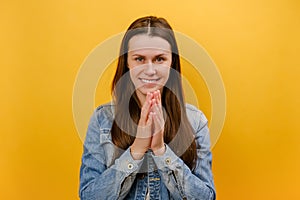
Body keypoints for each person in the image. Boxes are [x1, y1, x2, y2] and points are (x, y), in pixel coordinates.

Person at [79, 16, 216, 200]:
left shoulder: (195, 121)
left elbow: (206, 197)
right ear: (127, 62)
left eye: (159, 59)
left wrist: (161, 150)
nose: (150, 70)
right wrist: (137, 149)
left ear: (172, 63)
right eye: (139, 59)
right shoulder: (102, 119)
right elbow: (89, 196)